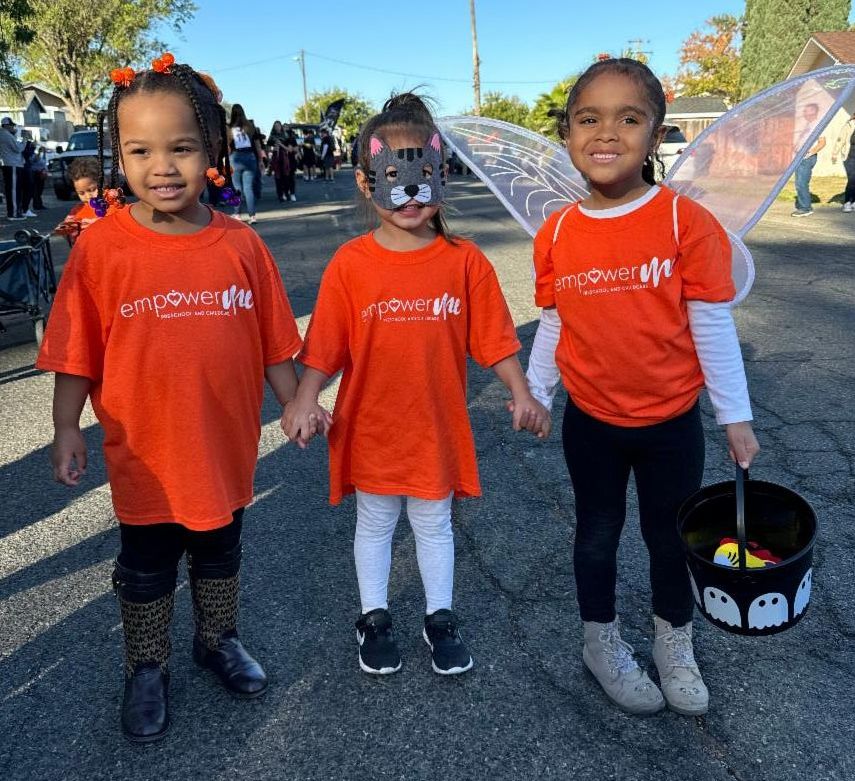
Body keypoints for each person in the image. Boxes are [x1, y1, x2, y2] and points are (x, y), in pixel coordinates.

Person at [35, 54, 304, 743]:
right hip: (144, 453)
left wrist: (298, 402)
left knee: (220, 547)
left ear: (211, 149)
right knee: (147, 562)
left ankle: (216, 639)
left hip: (223, 445)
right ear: (118, 153)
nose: (162, 165)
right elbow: (75, 352)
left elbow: (275, 341)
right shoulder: (101, 251)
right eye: (140, 149)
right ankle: (145, 664)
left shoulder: (241, 244)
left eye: (180, 147)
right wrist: (67, 426)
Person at [283, 93, 550, 678]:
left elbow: (496, 339)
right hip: (372, 424)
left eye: (422, 173)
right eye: (391, 175)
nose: (408, 190)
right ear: (365, 181)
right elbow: (325, 346)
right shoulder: (351, 265)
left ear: (441, 175)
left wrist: (522, 392)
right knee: (375, 521)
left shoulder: (465, 262)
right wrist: (304, 399)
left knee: (433, 522)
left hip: (435, 424)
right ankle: (373, 615)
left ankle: (440, 615)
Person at [524, 58, 759, 717]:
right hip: (591, 420)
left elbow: (711, 323)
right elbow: (553, 321)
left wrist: (733, 415)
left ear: (654, 136)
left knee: (668, 536)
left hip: (670, 423)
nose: (606, 133)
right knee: (596, 532)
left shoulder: (686, 223)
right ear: (568, 134)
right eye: (587, 119)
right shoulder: (559, 232)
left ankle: (671, 643)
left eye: (628, 118)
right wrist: (537, 392)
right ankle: (599, 641)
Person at [53, 156, 106, 245]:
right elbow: (68, 231)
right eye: (81, 193)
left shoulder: (112, 206)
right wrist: (65, 229)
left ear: (104, 183)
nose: (88, 196)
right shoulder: (77, 212)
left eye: (92, 190)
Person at [228, 104, 264, 224]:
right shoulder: (250, 126)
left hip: (236, 157)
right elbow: (258, 145)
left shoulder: (229, 127)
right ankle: (252, 216)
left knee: (237, 188)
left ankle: (237, 213)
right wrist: (260, 160)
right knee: (249, 188)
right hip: (250, 157)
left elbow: (227, 146)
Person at [792, 102, 826, 217]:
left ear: (813, 112)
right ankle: (804, 206)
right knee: (799, 183)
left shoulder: (818, 125)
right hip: (800, 157)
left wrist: (809, 153)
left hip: (806, 158)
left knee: (801, 183)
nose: (804, 113)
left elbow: (822, 142)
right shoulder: (809, 125)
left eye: (806, 111)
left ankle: (805, 208)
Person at [0, 116, 26, 219]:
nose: (13, 127)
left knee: (13, 189)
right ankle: (14, 213)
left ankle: (14, 211)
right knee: (14, 190)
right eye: (12, 125)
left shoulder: (6, 135)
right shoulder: (5, 135)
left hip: (11, 164)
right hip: (12, 165)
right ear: (6, 125)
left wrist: (14, 136)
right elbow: (18, 148)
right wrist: (25, 139)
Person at [831, 111, 855, 212]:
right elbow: (841, 139)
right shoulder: (849, 125)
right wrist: (835, 153)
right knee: (852, 179)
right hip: (849, 156)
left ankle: (853, 201)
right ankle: (847, 202)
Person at [268, 120, 291, 203]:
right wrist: (272, 149)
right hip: (275, 158)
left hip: (284, 157)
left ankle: (287, 193)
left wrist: (281, 145)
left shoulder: (286, 136)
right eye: (275, 126)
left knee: (286, 177)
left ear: (281, 126)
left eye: (278, 125)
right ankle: (280, 195)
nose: (277, 127)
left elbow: (289, 149)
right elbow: (268, 148)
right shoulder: (271, 137)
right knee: (278, 177)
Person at [29, 144, 48, 209]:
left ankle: (39, 204)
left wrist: (44, 153)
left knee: (40, 190)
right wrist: (40, 152)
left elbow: (44, 161)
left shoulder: (35, 155)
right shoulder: (32, 155)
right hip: (36, 174)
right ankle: (37, 205)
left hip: (41, 174)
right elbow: (35, 160)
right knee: (37, 190)